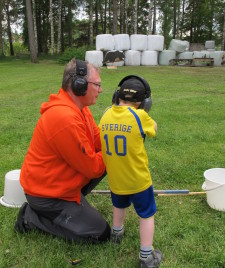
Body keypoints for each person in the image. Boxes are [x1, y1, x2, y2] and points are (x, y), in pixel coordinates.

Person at [15, 58, 111, 243]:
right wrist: (113, 153)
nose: (100, 90)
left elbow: (98, 141)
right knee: (100, 233)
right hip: (45, 194)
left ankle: (71, 207)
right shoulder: (64, 118)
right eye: (97, 85)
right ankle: (30, 217)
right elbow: (92, 167)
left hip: (60, 184)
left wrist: (120, 140)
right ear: (79, 85)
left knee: (109, 160)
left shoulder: (81, 109)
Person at [99, 75, 162, 267]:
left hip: (116, 179)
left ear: (116, 96)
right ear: (145, 103)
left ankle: (116, 232)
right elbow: (154, 129)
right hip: (138, 180)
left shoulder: (106, 112)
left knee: (119, 205)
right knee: (146, 214)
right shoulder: (140, 116)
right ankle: (146, 256)